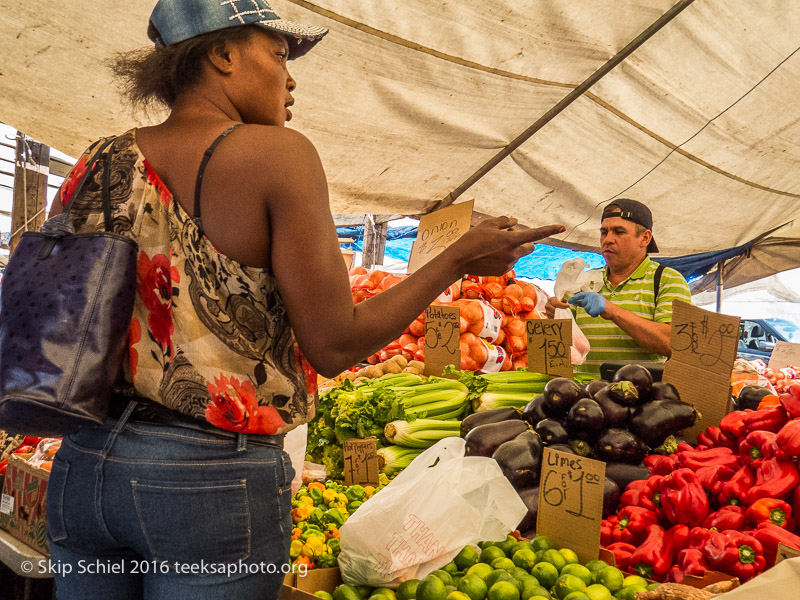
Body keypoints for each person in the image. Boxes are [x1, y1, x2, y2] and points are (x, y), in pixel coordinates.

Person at [44, 1, 564, 598]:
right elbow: (335, 344)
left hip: (83, 463)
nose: (290, 79)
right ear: (222, 53)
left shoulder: (98, 158)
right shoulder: (279, 155)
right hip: (206, 478)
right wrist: (454, 260)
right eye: (279, 54)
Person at [546, 199, 691, 377]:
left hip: (640, 398)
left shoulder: (667, 280)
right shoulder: (582, 281)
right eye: (604, 232)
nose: (608, 240)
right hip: (583, 398)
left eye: (619, 232)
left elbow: (673, 344)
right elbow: (567, 347)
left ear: (645, 238)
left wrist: (612, 310)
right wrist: (555, 316)